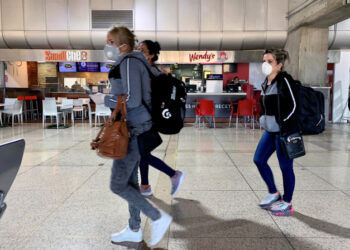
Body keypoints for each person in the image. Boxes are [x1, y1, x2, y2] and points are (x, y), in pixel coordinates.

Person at [103, 26, 172, 246]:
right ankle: (134, 228)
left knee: (118, 184)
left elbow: (132, 100)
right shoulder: (133, 61)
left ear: (121, 44)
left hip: (135, 127)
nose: (107, 46)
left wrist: (104, 100)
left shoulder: (131, 62)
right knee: (131, 182)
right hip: (134, 125)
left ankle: (157, 217)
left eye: (110, 42)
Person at [253, 49, 298, 216]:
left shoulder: (285, 80)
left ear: (279, 65)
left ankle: (287, 202)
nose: (265, 64)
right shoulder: (266, 82)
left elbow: (294, 106)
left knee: (285, 167)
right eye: (264, 61)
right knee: (259, 159)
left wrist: (283, 126)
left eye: (270, 61)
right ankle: (274, 193)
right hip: (270, 131)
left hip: (284, 132)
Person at [137, 40, 185, 196]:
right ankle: (145, 186)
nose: (139, 53)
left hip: (148, 118)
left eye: (143, 50)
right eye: (138, 49)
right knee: (142, 153)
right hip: (147, 117)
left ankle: (173, 175)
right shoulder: (152, 70)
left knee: (141, 153)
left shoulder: (149, 71)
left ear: (151, 55)